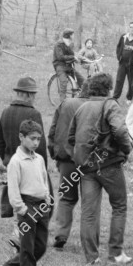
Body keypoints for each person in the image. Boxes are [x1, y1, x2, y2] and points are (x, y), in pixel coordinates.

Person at [68, 73, 133, 265]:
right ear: (108, 88)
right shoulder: (110, 105)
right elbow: (120, 130)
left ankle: (91, 257)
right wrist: (126, 149)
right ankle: (115, 254)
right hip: (109, 164)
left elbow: (71, 138)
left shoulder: (82, 108)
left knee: (89, 212)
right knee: (119, 206)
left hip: (86, 167)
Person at [0, 77, 49, 251]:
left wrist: (7, 161)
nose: (34, 98)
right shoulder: (33, 114)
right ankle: (21, 237)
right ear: (26, 95)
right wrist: (42, 168)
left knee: (18, 199)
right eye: (32, 94)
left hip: (13, 162)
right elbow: (39, 145)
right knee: (34, 203)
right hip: (30, 164)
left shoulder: (5, 112)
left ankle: (20, 236)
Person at [0, 120, 52, 266]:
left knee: (40, 246)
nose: (36, 143)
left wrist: (47, 197)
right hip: (26, 206)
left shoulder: (40, 159)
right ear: (21, 137)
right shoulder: (16, 162)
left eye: (39, 139)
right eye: (32, 139)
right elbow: (13, 191)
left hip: (41, 206)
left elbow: (44, 179)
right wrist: (22, 209)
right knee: (27, 248)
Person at [48, 82, 89, 249]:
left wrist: (55, 153)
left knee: (66, 198)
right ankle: (88, 240)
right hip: (88, 161)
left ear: (80, 90)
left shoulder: (66, 104)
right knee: (89, 201)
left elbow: (53, 130)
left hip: (66, 160)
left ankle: (60, 234)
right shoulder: (97, 106)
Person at [53, 28, 85, 102]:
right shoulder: (58, 44)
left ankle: (83, 98)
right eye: (72, 35)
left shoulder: (70, 43)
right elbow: (60, 57)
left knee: (82, 80)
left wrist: (79, 59)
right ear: (69, 36)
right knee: (63, 82)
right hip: (60, 65)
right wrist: (73, 57)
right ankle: (63, 103)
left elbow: (72, 54)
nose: (73, 36)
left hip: (69, 66)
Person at [114, 21, 133, 105]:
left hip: (132, 65)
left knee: (131, 81)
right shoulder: (123, 37)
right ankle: (115, 97)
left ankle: (129, 98)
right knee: (119, 80)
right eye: (130, 27)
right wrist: (119, 57)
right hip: (122, 63)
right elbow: (118, 47)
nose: (131, 29)